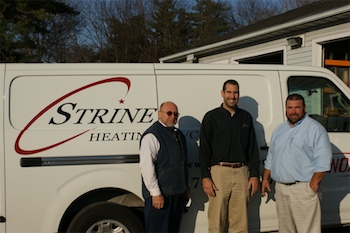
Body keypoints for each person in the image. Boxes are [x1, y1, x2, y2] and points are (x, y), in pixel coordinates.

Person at [261, 94, 332, 233]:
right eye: (290, 107)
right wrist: (265, 178)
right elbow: (271, 156)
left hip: (303, 189)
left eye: (297, 107)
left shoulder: (315, 129)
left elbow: (323, 162)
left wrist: (312, 185)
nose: (293, 111)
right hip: (281, 189)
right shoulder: (280, 129)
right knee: (285, 229)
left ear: (304, 108)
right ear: (286, 109)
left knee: (307, 230)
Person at [199, 79, 260, 233]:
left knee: (240, 223)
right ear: (222, 94)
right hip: (219, 173)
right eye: (229, 92)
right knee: (217, 222)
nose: (232, 96)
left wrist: (254, 174)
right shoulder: (211, 117)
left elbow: (252, 148)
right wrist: (205, 176)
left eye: (235, 92)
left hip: (242, 173)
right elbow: (204, 150)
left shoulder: (246, 117)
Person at [139, 101, 189, 233]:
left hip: (177, 195)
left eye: (175, 114)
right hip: (161, 197)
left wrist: (185, 187)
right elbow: (146, 167)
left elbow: (181, 163)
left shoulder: (178, 135)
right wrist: (155, 193)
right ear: (159, 114)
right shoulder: (151, 136)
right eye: (169, 113)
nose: (173, 116)